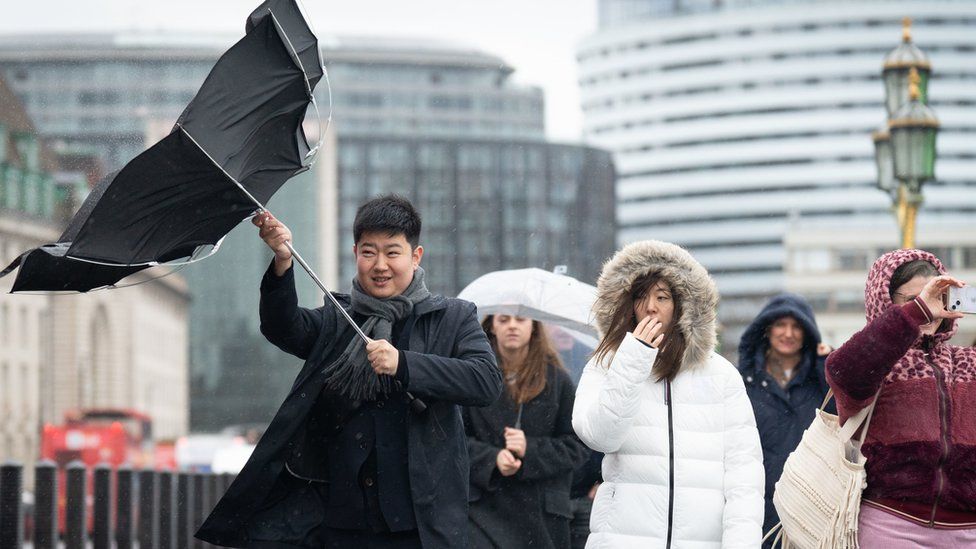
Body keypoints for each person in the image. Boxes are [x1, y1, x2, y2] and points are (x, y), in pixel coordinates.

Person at [196, 195, 503, 549]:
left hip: (418, 524)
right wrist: (282, 261)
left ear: (415, 256)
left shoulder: (452, 317)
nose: (380, 265)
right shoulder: (339, 318)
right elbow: (283, 327)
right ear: (355, 252)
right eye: (369, 252)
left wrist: (404, 364)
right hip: (337, 520)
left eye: (392, 252)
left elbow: (485, 381)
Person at [572, 240, 764, 548]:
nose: (651, 307)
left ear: (681, 305)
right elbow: (599, 437)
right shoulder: (606, 364)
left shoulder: (720, 374)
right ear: (628, 305)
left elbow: (745, 474)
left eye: (662, 297)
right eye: (641, 297)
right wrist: (633, 359)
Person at [825, 249, 976, 546]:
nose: (933, 307)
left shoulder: (968, 362)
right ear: (884, 302)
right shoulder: (876, 360)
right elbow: (842, 371)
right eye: (914, 299)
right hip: (891, 524)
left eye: (938, 297)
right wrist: (916, 313)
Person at [463, 314, 587, 548]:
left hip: (541, 513)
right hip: (484, 511)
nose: (512, 326)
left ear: (533, 327)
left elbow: (577, 446)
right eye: (503, 319)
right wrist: (492, 458)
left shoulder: (559, 381)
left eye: (520, 319)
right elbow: (455, 441)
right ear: (492, 327)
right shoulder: (475, 379)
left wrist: (530, 449)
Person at [736, 293, 833, 544]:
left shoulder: (820, 380)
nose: (788, 333)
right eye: (780, 324)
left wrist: (828, 369)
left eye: (797, 326)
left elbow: (842, 419)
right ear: (766, 330)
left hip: (811, 509)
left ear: (807, 333)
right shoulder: (742, 382)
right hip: (757, 508)